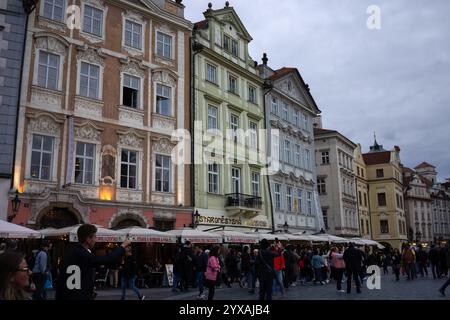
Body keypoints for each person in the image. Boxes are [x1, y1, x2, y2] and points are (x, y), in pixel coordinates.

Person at [55, 224, 130, 300]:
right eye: (95, 237)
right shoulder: (83, 254)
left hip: (66, 295)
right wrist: (122, 247)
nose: (96, 240)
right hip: (78, 296)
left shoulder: (69, 252)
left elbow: (62, 278)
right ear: (88, 239)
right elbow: (107, 259)